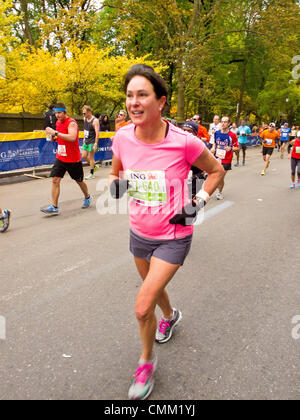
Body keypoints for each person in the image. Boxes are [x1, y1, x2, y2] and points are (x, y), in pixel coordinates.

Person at [109, 64, 224, 400]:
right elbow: (117, 172)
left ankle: (146, 361)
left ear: (161, 102)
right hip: (139, 233)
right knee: (152, 289)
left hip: (174, 235)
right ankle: (171, 316)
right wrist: (117, 185)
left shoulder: (184, 142)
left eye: (142, 95)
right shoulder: (121, 137)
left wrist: (196, 204)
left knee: (143, 306)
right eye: (130, 95)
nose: (134, 102)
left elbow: (216, 171)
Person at [41, 103, 92, 215]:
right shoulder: (58, 122)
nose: (57, 115)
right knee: (55, 180)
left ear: (65, 112)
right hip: (61, 157)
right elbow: (61, 136)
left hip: (73, 159)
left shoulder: (71, 123)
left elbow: (72, 137)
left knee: (79, 181)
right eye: (56, 113)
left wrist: (55, 132)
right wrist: (55, 138)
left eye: (59, 113)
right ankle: (54, 206)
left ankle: (87, 196)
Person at [211, 116, 239, 200]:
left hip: (226, 159)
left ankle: (219, 192)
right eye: (222, 122)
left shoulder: (232, 135)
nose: (223, 123)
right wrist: (213, 148)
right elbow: (215, 143)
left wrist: (230, 148)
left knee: (220, 177)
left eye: (225, 122)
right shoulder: (216, 133)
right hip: (217, 157)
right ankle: (216, 187)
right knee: (216, 176)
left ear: (229, 123)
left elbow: (237, 148)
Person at [82, 105, 100, 180]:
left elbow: (97, 133)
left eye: (84, 113)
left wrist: (95, 144)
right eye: (83, 113)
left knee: (91, 158)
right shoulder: (84, 119)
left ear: (89, 112)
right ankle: (94, 166)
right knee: (84, 156)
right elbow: (86, 129)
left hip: (92, 141)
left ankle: (91, 173)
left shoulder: (95, 121)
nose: (83, 115)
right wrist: (84, 137)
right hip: (86, 140)